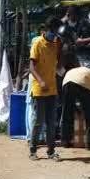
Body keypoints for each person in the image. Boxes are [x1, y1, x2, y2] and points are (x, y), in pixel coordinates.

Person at [28, 17, 63, 161]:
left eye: (56, 32)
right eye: (52, 32)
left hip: (52, 88)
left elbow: (59, 64)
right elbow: (31, 67)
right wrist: (41, 81)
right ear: (47, 30)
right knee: (39, 120)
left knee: (51, 121)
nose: (54, 35)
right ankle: (33, 149)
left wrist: (61, 47)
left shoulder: (55, 44)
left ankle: (51, 151)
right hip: (39, 88)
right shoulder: (37, 44)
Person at [61, 65, 90, 149]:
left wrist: (76, 108)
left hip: (66, 82)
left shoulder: (75, 70)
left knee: (67, 112)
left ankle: (66, 141)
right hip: (83, 83)